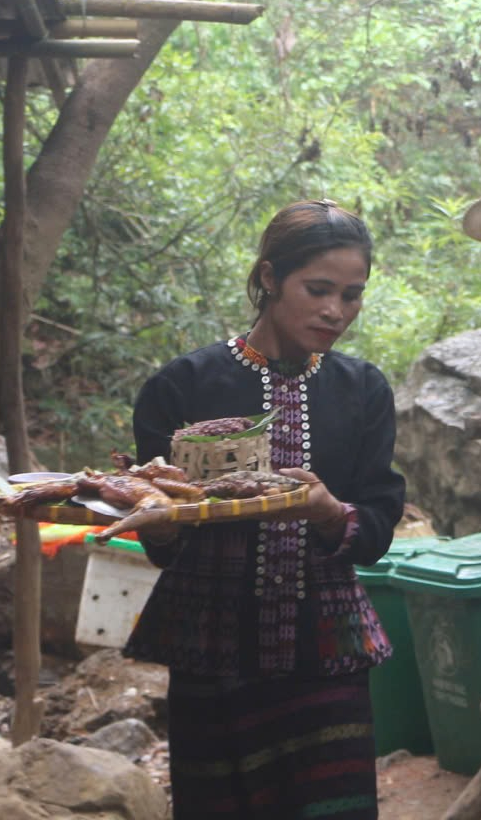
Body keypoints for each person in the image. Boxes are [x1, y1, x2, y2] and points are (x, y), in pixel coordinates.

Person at [124, 199, 406, 819]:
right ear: (271, 278)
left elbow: (380, 517)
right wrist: (162, 509)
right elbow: (156, 535)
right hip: (212, 644)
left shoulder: (362, 391)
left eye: (352, 295)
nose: (336, 311)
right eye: (319, 289)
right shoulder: (182, 387)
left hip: (325, 649)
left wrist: (333, 513)